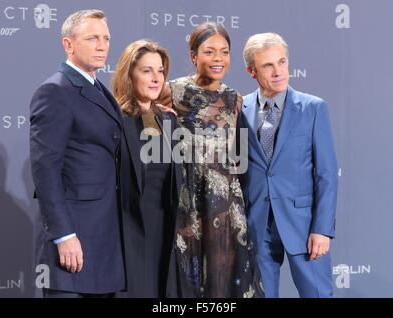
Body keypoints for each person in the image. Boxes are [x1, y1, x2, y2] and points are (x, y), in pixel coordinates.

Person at [30, 9, 138, 298]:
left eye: (106, 38)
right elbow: (45, 170)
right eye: (92, 38)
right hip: (74, 239)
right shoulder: (55, 91)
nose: (102, 45)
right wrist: (64, 235)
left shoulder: (100, 90)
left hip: (105, 237)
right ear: (69, 44)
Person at [160, 22, 264, 298]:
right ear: (194, 55)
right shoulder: (173, 90)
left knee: (224, 275)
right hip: (189, 195)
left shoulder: (234, 99)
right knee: (191, 274)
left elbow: (239, 152)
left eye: (224, 52)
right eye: (209, 51)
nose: (218, 59)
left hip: (226, 198)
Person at [239, 32, 338, 297]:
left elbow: (327, 174)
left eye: (282, 62)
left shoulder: (313, 108)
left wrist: (322, 229)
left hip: (304, 227)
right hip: (257, 227)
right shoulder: (239, 110)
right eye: (268, 65)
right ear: (251, 71)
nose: (278, 71)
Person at [111, 39, 181, 297]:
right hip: (127, 231)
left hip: (164, 229)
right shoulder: (115, 120)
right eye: (146, 70)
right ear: (129, 75)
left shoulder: (168, 120)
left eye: (160, 71)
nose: (156, 78)